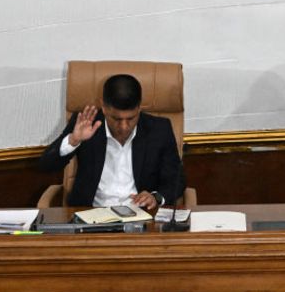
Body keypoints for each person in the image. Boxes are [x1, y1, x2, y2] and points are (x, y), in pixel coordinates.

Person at [39, 73, 184, 211]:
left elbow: (177, 179)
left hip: (142, 217)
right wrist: (73, 140)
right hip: (91, 215)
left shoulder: (159, 129)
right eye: (117, 119)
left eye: (131, 118)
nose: (124, 127)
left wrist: (155, 197)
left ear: (139, 108)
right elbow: (46, 165)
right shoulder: (86, 123)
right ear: (104, 107)